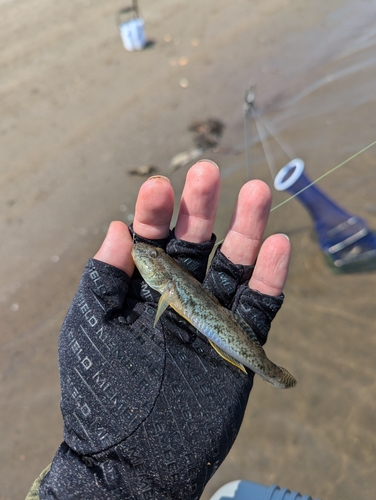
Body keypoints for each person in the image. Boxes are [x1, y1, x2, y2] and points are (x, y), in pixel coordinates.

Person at [26, 160, 291, 500]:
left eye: (150, 259)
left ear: (164, 278)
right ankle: (273, 373)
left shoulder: (167, 286)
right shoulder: (164, 284)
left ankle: (273, 373)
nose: (141, 256)